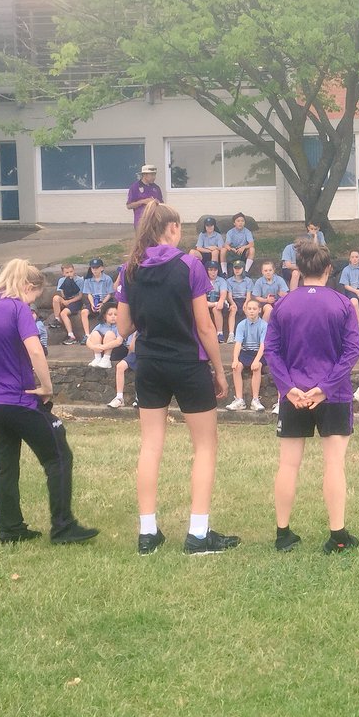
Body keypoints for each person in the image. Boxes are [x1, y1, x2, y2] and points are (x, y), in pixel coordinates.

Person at [115, 202, 236, 556]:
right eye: (179, 227)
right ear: (170, 228)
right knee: (205, 446)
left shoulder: (130, 268)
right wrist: (219, 370)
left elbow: (123, 327)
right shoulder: (189, 265)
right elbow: (205, 326)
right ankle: (197, 534)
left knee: (151, 445)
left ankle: (147, 533)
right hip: (187, 363)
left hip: (149, 364)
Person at [0, 259, 99, 545]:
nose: (33, 302)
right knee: (59, 456)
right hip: (19, 401)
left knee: (5, 466)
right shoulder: (18, 309)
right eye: (34, 296)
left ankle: (10, 529)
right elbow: (36, 351)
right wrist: (46, 387)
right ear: (27, 286)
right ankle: (63, 527)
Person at [265, 238, 359, 553]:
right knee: (334, 464)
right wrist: (325, 388)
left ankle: (283, 534)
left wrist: (288, 387)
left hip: (294, 395)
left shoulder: (283, 305)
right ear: (329, 269)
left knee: (288, 465)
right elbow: (351, 352)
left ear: (299, 269)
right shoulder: (343, 304)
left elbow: (271, 351)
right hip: (334, 395)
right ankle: (338, 536)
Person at [226, 299, 269, 412]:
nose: (251, 311)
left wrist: (256, 360)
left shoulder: (264, 325)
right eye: (249, 309)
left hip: (259, 352)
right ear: (245, 310)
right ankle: (239, 400)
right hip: (246, 352)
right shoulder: (241, 325)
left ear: (259, 310)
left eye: (254, 309)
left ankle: (255, 400)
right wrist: (235, 359)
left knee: (257, 367)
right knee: (236, 367)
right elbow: (238, 344)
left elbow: (263, 345)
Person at [78, 258, 114, 345]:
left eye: (97, 268)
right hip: (93, 301)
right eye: (93, 268)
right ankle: (87, 335)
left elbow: (109, 294)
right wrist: (92, 304)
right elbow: (89, 294)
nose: (95, 270)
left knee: (105, 311)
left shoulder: (107, 279)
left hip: (105, 301)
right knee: (84, 312)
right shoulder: (88, 280)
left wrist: (103, 303)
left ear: (102, 268)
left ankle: (107, 333)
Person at [49, 262, 84, 341]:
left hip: (75, 301)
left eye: (71, 272)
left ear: (74, 271)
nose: (69, 274)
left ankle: (71, 335)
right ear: (63, 273)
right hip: (66, 299)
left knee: (63, 313)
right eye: (67, 272)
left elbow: (80, 296)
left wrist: (70, 301)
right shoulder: (61, 280)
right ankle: (57, 319)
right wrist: (64, 300)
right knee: (56, 298)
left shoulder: (79, 280)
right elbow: (63, 295)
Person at [126, 163, 163, 228]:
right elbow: (129, 206)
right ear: (144, 175)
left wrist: (158, 203)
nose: (154, 177)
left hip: (155, 223)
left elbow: (162, 204)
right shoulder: (135, 187)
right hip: (141, 223)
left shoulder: (156, 188)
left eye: (155, 174)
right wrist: (143, 201)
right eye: (152, 175)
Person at [86, 302, 123, 368]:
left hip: (115, 351)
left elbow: (119, 341)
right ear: (104, 316)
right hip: (101, 351)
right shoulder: (100, 326)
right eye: (110, 314)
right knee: (95, 334)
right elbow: (88, 340)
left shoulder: (120, 326)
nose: (113, 316)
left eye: (116, 314)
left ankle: (106, 359)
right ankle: (97, 358)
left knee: (109, 334)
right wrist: (93, 347)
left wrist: (102, 347)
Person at [107, 331, 138, 409]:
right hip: (135, 354)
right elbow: (132, 348)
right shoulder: (137, 331)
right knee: (120, 366)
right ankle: (119, 398)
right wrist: (135, 336)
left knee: (142, 368)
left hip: (148, 356)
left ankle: (139, 397)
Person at [225, 259, 252, 340]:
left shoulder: (248, 280)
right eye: (235, 268)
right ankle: (231, 334)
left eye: (239, 268)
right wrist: (233, 303)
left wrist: (246, 303)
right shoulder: (229, 281)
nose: (237, 270)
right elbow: (229, 296)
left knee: (248, 310)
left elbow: (248, 295)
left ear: (243, 269)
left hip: (244, 300)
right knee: (233, 309)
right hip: (234, 300)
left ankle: (249, 334)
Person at [204, 260, 230, 341]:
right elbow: (202, 299)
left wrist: (221, 301)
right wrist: (215, 303)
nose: (213, 272)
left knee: (216, 309)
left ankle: (219, 333)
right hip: (207, 302)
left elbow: (223, 294)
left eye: (215, 270)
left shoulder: (221, 280)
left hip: (219, 302)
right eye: (210, 270)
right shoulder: (203, 280)